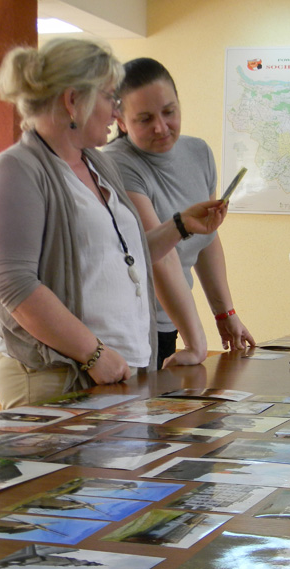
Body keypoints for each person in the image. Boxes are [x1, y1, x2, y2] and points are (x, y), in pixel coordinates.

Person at [0, 38, 226, 409]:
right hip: (57, 375)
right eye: (110, 98)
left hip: (119, 372)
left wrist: (180, 226)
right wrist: (94, 354)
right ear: (73, 100)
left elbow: (126, 256)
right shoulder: (16, 170)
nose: (115, 112)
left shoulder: (97, 163)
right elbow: (15, 286)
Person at [105, 58, 255, 367]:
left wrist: (225, 313)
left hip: (168, 321)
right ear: (120, 121)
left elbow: (206, 237)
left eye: (169, 112)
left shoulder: (198, 152)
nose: (161, 127)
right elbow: (160, 257)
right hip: (127, 330)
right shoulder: (116, 163)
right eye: (145, 119)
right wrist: (197, 343)